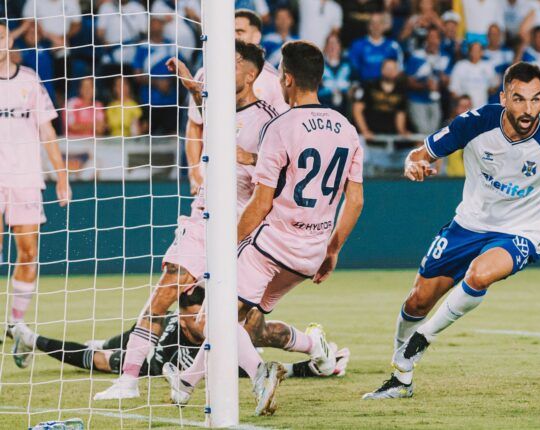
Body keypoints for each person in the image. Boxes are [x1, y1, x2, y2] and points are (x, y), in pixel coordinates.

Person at [362, 62, 540, 400]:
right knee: (418, 299)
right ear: (503, 97)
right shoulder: (476, 122)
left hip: (521, 232)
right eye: (519, 99)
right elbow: (419, 153)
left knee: (480, 274)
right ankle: (400, 373)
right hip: (468, 225)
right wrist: (413, 164)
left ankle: (422, 340)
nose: (528, 110)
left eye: (536, 99)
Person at [170, 40, 365, 416]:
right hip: (309, 254)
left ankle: (260, 372)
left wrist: (226, 246)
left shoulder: (281, 126)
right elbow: (354, 201)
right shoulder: (346, 128)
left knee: (214, 317)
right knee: (247, 325)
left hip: (272, 244)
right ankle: (187, 382)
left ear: (287, 79)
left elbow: (261, 203)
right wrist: (332, 249)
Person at [92, 41, 279, 401]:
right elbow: (205, 117)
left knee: (212, 323)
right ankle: (128, 381)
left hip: (242, 227)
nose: (226, 66)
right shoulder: (218, 106)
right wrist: (194, 92)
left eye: (235, 61)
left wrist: (248, 156)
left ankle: (260, 371)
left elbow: (279, 174)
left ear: (252, 73)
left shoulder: (268, 120)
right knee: (163, 294)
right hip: (203, 217)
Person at [11, 288, 350, 379]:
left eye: (199, 318)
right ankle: (30, 339)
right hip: (145, 347)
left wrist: (315, 367)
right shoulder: (172, 325)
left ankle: (29, 339)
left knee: (99, 358)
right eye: (190, 318)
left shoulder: (226, 336)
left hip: (153, 362)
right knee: (104, 348)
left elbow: (255, 371)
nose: (193, 323)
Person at [0, 20, 70, 334]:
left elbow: (47, 131)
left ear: (9, 41)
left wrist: (62, 176)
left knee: (28, 251)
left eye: (2, 37)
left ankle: (15, 323)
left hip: (26, 178)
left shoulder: (29, 80)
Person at [185, 10, 288, 196]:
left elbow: (282, 137)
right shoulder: (204, 73)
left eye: (239, 31)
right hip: (210, 183)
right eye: (229, 31)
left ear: (256, 35)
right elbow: (194, 125)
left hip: (249, 188)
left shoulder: (273, 80)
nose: (233, 36)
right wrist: (194, 173)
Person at [405, 27, 451, 135]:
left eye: (435, 38)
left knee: (434, 133)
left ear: (440, 40)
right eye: (430, 37)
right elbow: (408, 81)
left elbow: (447, 82)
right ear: (426, 40)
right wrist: (425, 85)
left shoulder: (444, 58)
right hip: (417, 100)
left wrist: (442, 79)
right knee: (423, 132)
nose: (433, 41)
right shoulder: (416, 56)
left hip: (435, 100)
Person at [349, 13, 404, 83]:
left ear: (384, 26)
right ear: (368, 26)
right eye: (373, 23)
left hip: (386, 87)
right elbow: (353, 69)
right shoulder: (358, 45)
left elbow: (400, 70)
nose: (376, 26)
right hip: (365, 85)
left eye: (380, 23)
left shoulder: (393, 46)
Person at [449, 42, 500, 108]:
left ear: (482, 52)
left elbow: (495, 86)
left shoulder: (488, 66)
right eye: (473, 50)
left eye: (478, 50)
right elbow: (453, 91)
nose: (475, 53)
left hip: (482, 110)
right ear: (469, 52)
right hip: (465, 111)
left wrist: (490, 90)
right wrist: (463, 102)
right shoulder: (460, 66)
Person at [319, 33, 352, 114]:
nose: (332, 46)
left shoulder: (348, 65)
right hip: (323, 108)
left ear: (340, 46)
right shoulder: (318, 66)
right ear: (325, 47)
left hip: (344, 108)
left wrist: (352, 90)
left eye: (335, 43)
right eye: (330, 43)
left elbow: (355, 84)